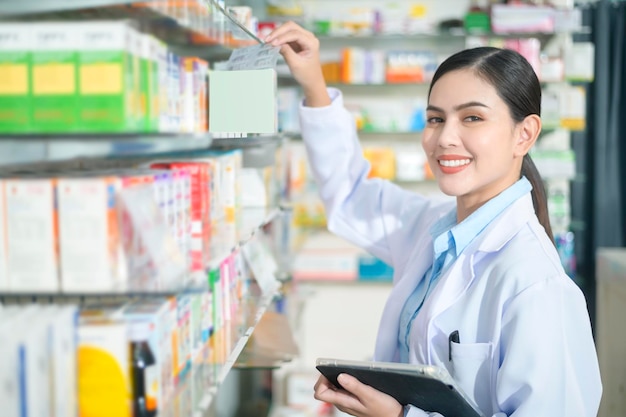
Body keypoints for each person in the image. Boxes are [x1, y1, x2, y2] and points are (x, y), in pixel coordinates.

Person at [265, 22, 602, 417]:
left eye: (472, 118)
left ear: (524, 135)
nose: (444, 138)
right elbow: (352, 193)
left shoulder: (537, 285)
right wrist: (314, 85)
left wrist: (400, 416)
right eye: (436, 119)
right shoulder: (436, 230)